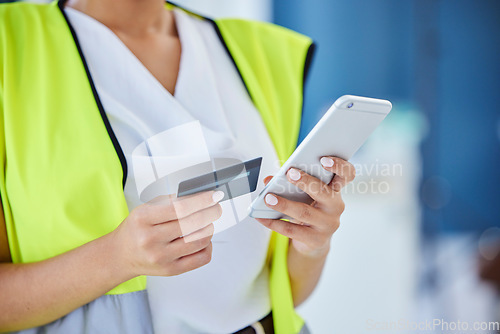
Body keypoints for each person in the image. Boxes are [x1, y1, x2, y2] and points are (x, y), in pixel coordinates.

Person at [0, 0, 356, 333]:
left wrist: (312, 244)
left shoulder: (259, 50)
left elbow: (281, 294)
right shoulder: (11, 46)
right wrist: (115, 259)